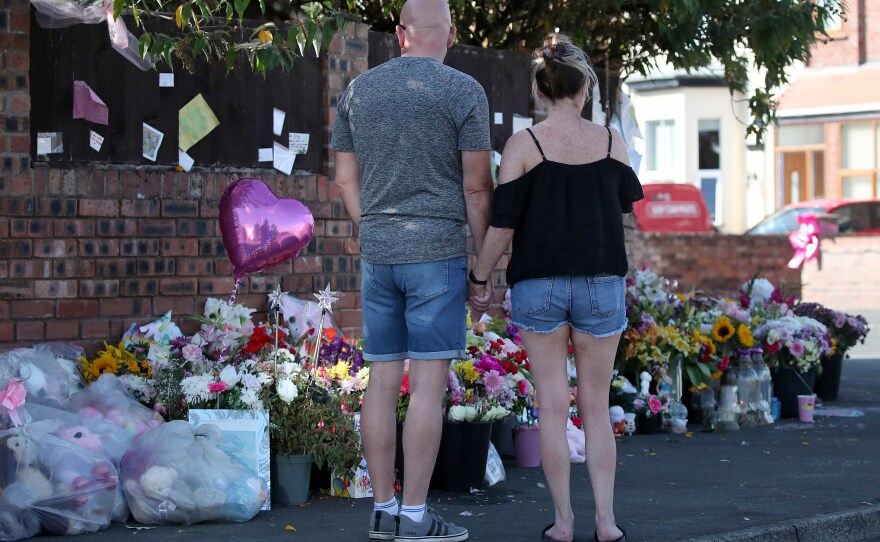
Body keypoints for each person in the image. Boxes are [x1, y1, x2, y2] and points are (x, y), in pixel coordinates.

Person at [468, 34, 642, 542]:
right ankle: (606, 522)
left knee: (551, 406)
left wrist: (480, 278)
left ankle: (563, 522)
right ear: (584, 87)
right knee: (595, 404)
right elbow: (623, 211)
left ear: (540, 93)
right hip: (601, 282)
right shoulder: (613, 142)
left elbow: (502, 226)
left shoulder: (524, 145)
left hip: (538, 284)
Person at [330, 0, 494, 540]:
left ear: (401, 34)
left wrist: (372, 225)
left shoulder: (357, 91)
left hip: (379, 252)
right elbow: (476, 186)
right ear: (448, 34)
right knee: (427, 386)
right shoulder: (464, 92)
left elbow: (343, 180)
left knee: (381, 380)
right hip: (438, 253)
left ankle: (382, 510)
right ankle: (416, 516)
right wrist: (482, 260)